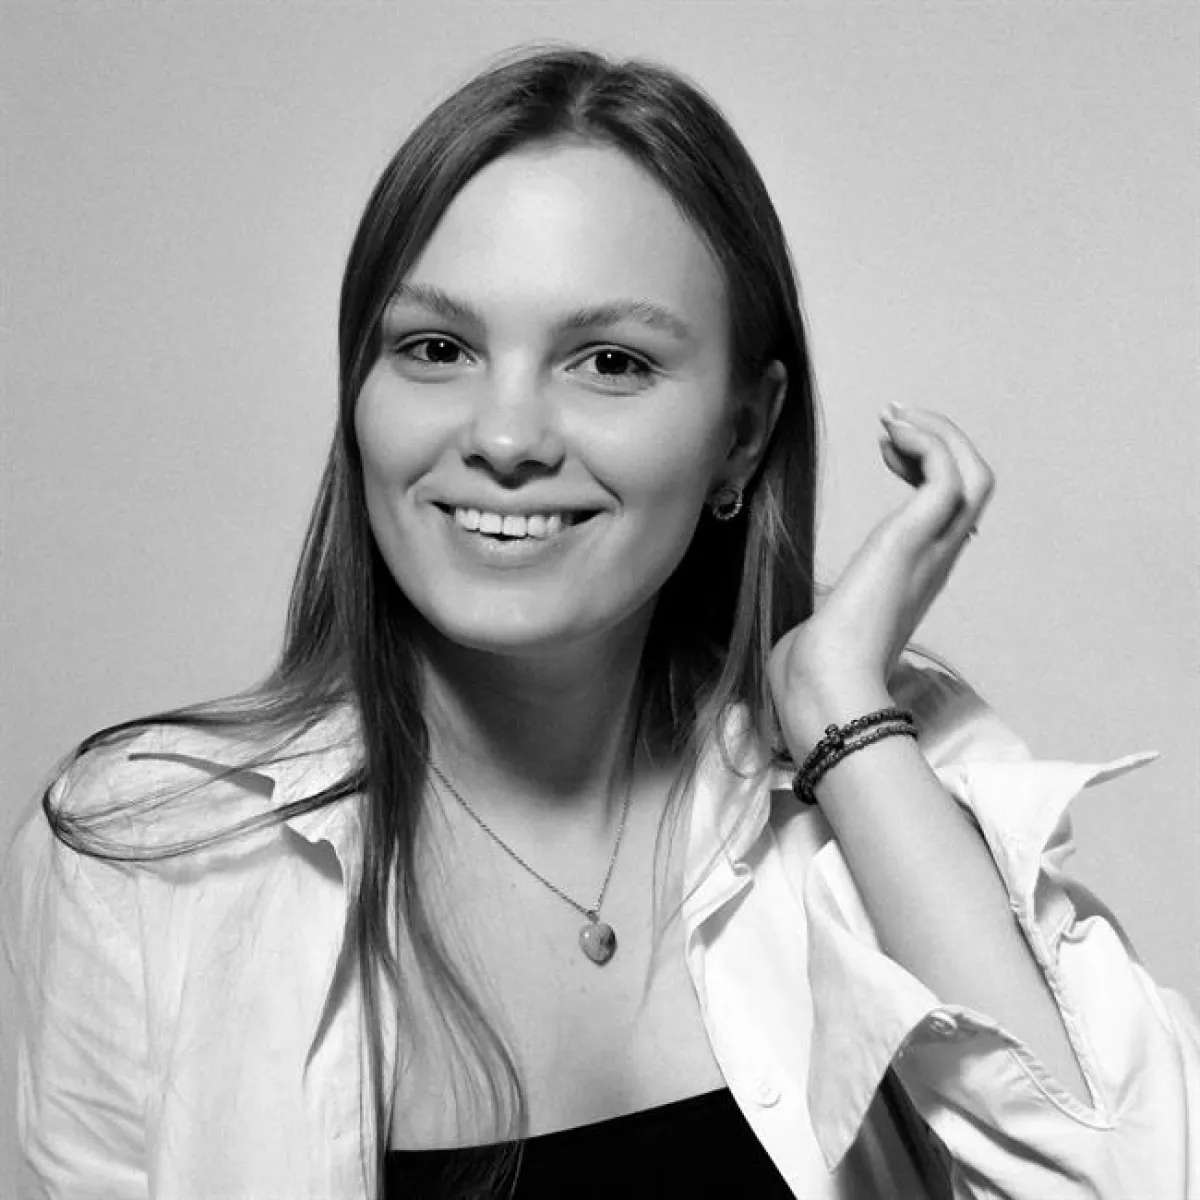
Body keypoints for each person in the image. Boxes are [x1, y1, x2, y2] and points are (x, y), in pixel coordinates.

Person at [3, 45, 1197, 1200]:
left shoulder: (884, 779)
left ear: (742, 433)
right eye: (436, 348)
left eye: (611, 361)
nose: (505, 437)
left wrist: (839, 709)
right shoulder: (151, 855)